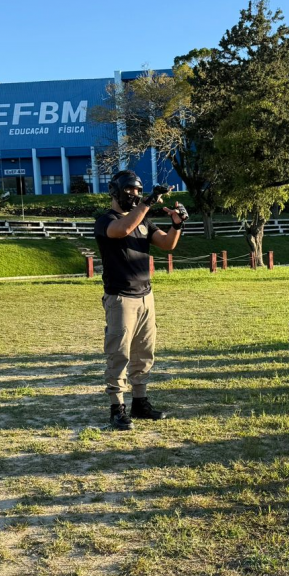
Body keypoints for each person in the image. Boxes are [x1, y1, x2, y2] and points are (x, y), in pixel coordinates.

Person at [94, 170, 188, 430]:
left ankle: (140, 402)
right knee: (119, 354)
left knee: (144, 352)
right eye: (129, 190)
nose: (134, 195)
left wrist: (177, 224)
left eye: (138, 190)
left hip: (146, 296)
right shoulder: (106, 220)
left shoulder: (144, 221)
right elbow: (122, 230)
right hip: (120, 298)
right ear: (115, 191)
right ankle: (117, 408)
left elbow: (167, 244)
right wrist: (147, 202)